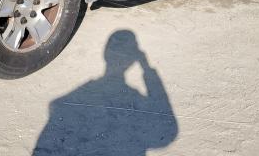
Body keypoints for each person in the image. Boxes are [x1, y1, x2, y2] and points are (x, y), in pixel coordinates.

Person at [33, 30, 178, 155]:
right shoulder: (133, 97)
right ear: (133, 60)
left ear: (105, 55)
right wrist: (147, 69)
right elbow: (168, 132)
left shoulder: (65, 102)